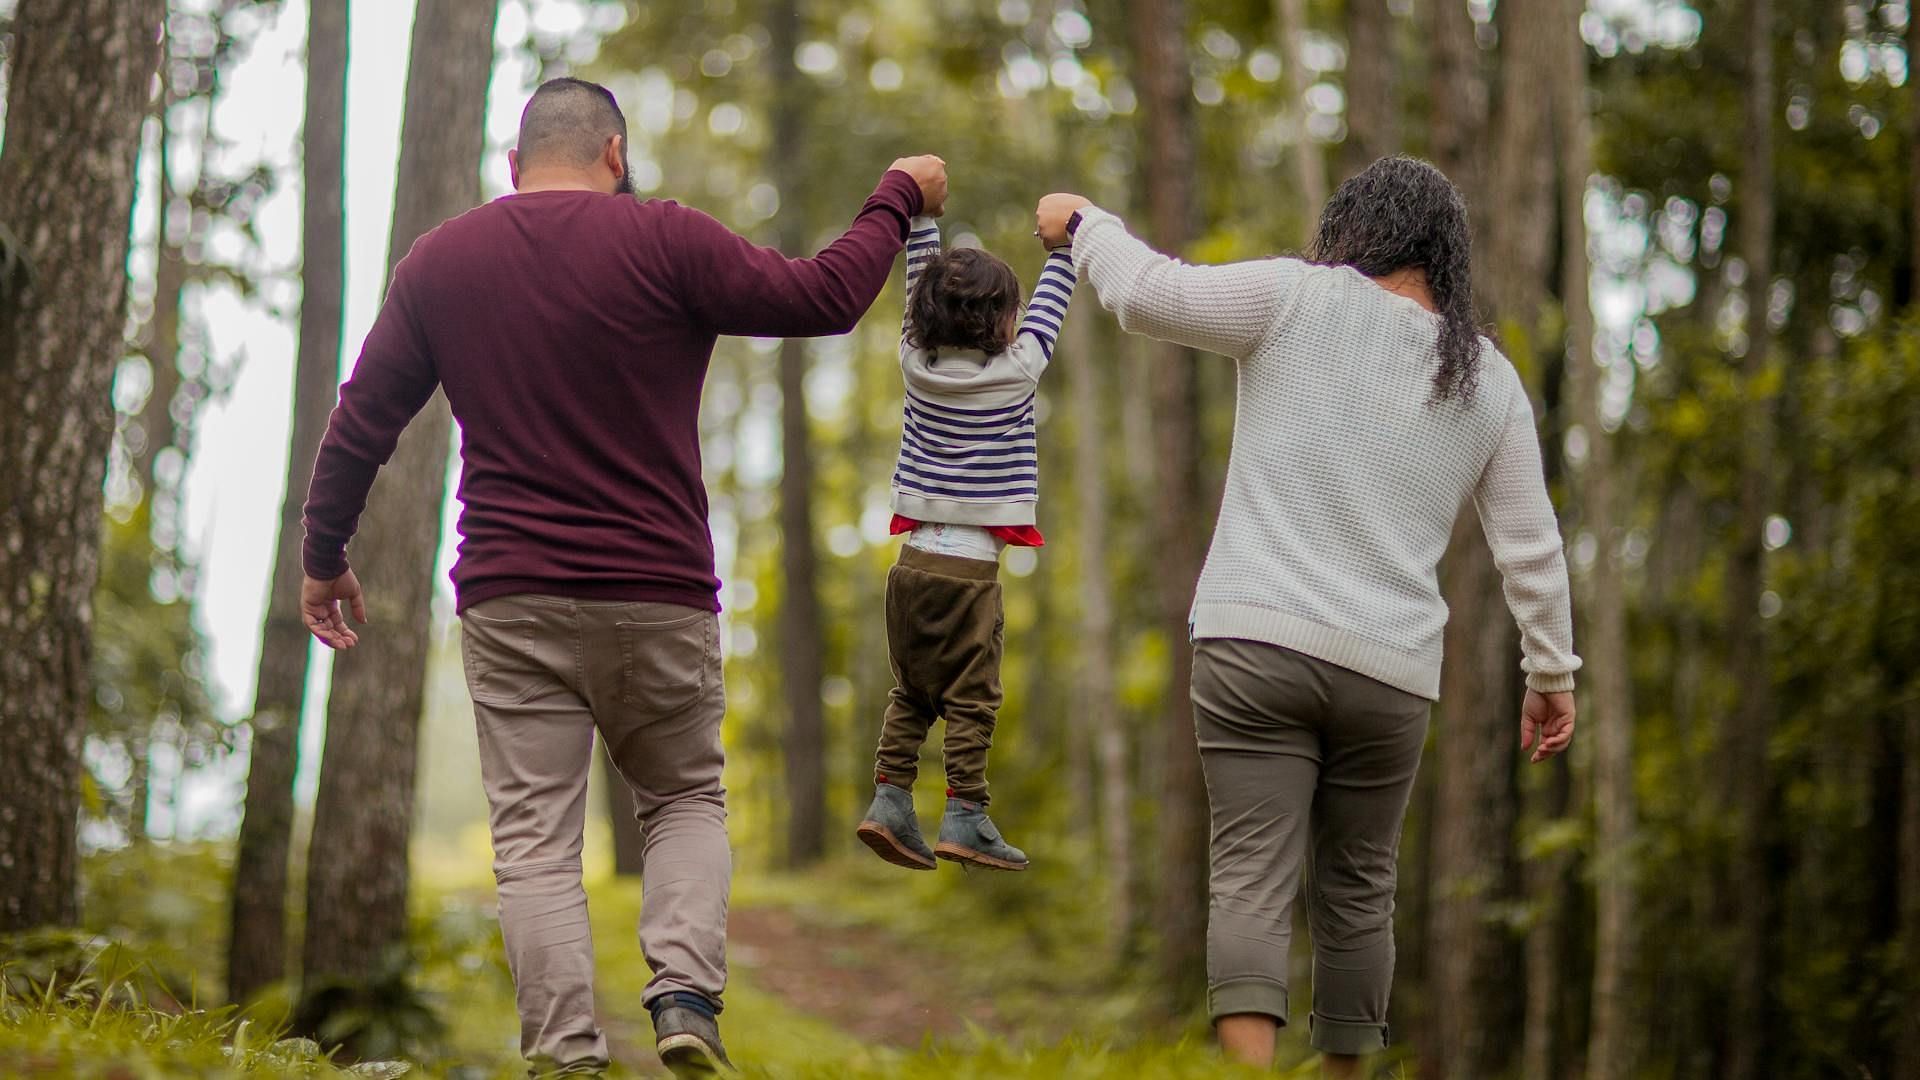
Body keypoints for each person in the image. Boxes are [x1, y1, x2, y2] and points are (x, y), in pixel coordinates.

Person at [297, 76, 948, 1079]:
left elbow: (362, 422)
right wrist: (896, 194)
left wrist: (324, 555)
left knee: (536, 847)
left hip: (510, 596)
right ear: (615, 153)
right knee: (685, 796)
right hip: (657, 589)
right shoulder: (666, 237)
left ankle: (565, 1057)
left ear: (514, 168)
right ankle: (685, 996)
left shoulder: (443, 261)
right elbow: (824, 297)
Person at [1033, 156, 1580, 1078]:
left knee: (1251, 874)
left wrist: (1088, 222)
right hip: (1391, 674)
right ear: (1445, 256)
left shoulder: (1295, 297)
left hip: (1255, 644)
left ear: (1354, 229)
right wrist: (1552, 674)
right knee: (1360, 894)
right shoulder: (1488, 381)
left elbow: (1146, 295)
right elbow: (1532, 546)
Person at [853, 208, 1077, 874]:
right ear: (1003, 323)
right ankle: (965, 813)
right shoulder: (1018, 371)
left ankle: (890, 798)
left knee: (912, 692)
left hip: (911, 567)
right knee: (972, 698)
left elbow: (916, 282)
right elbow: (1053, 304)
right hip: (970, 574)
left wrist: (922, 220)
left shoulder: (912, 365)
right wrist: (1064, 246)